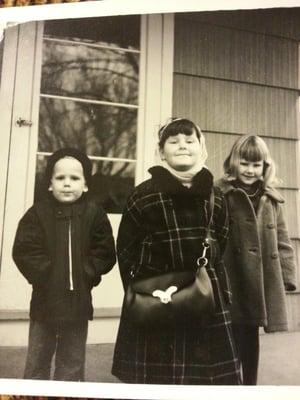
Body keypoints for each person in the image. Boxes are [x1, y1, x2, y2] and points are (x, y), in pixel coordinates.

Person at [111, 118, 241, 385]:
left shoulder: (215, 196)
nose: (182, 146)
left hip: (204, 296)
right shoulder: (143, 195)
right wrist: (140, 291)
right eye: (173, 141)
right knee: (158, 379)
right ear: (161, 152)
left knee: (205, 379)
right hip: (157, 297)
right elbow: (126, 249)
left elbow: (222, 241)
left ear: (201, 148)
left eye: (190, 140)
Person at [12, 148, 116, 381]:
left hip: (78, 304)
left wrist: (87, 273)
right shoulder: (37, 213)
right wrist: (47, 275)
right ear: (50, 184)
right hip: (44, 302)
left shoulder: (94, 213)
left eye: (74, 178)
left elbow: (105, 251)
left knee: (72, 362)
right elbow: (25, 250)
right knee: (37, 360)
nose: (67, 184)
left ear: (86, 185)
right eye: (60, 178)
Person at [216, 135, 297, 385]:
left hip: (259, 280)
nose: (250, 170)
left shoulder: (271, 199)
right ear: (233, 163)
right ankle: (228, 386)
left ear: (265, 167)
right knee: (227, 339)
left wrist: (287, 276)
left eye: (256, 165)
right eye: (245, 163)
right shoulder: (222, 194)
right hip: (231, 277)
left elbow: (282, 240)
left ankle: (249, 387)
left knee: (250, 336)